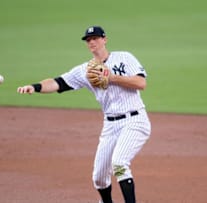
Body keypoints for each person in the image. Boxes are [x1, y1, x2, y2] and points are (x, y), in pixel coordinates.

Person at [17, 26, 151, 203]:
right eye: (88, 40)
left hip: (135, 120)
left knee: (119, 164)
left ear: (105, 39)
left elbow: (141, 83)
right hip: (110, 125)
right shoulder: (85, 70)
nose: (92, 42)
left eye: (95, 38)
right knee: (99, 178)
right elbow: (58, 83)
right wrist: (34, 87)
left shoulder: (124, 58)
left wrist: (111, 77)